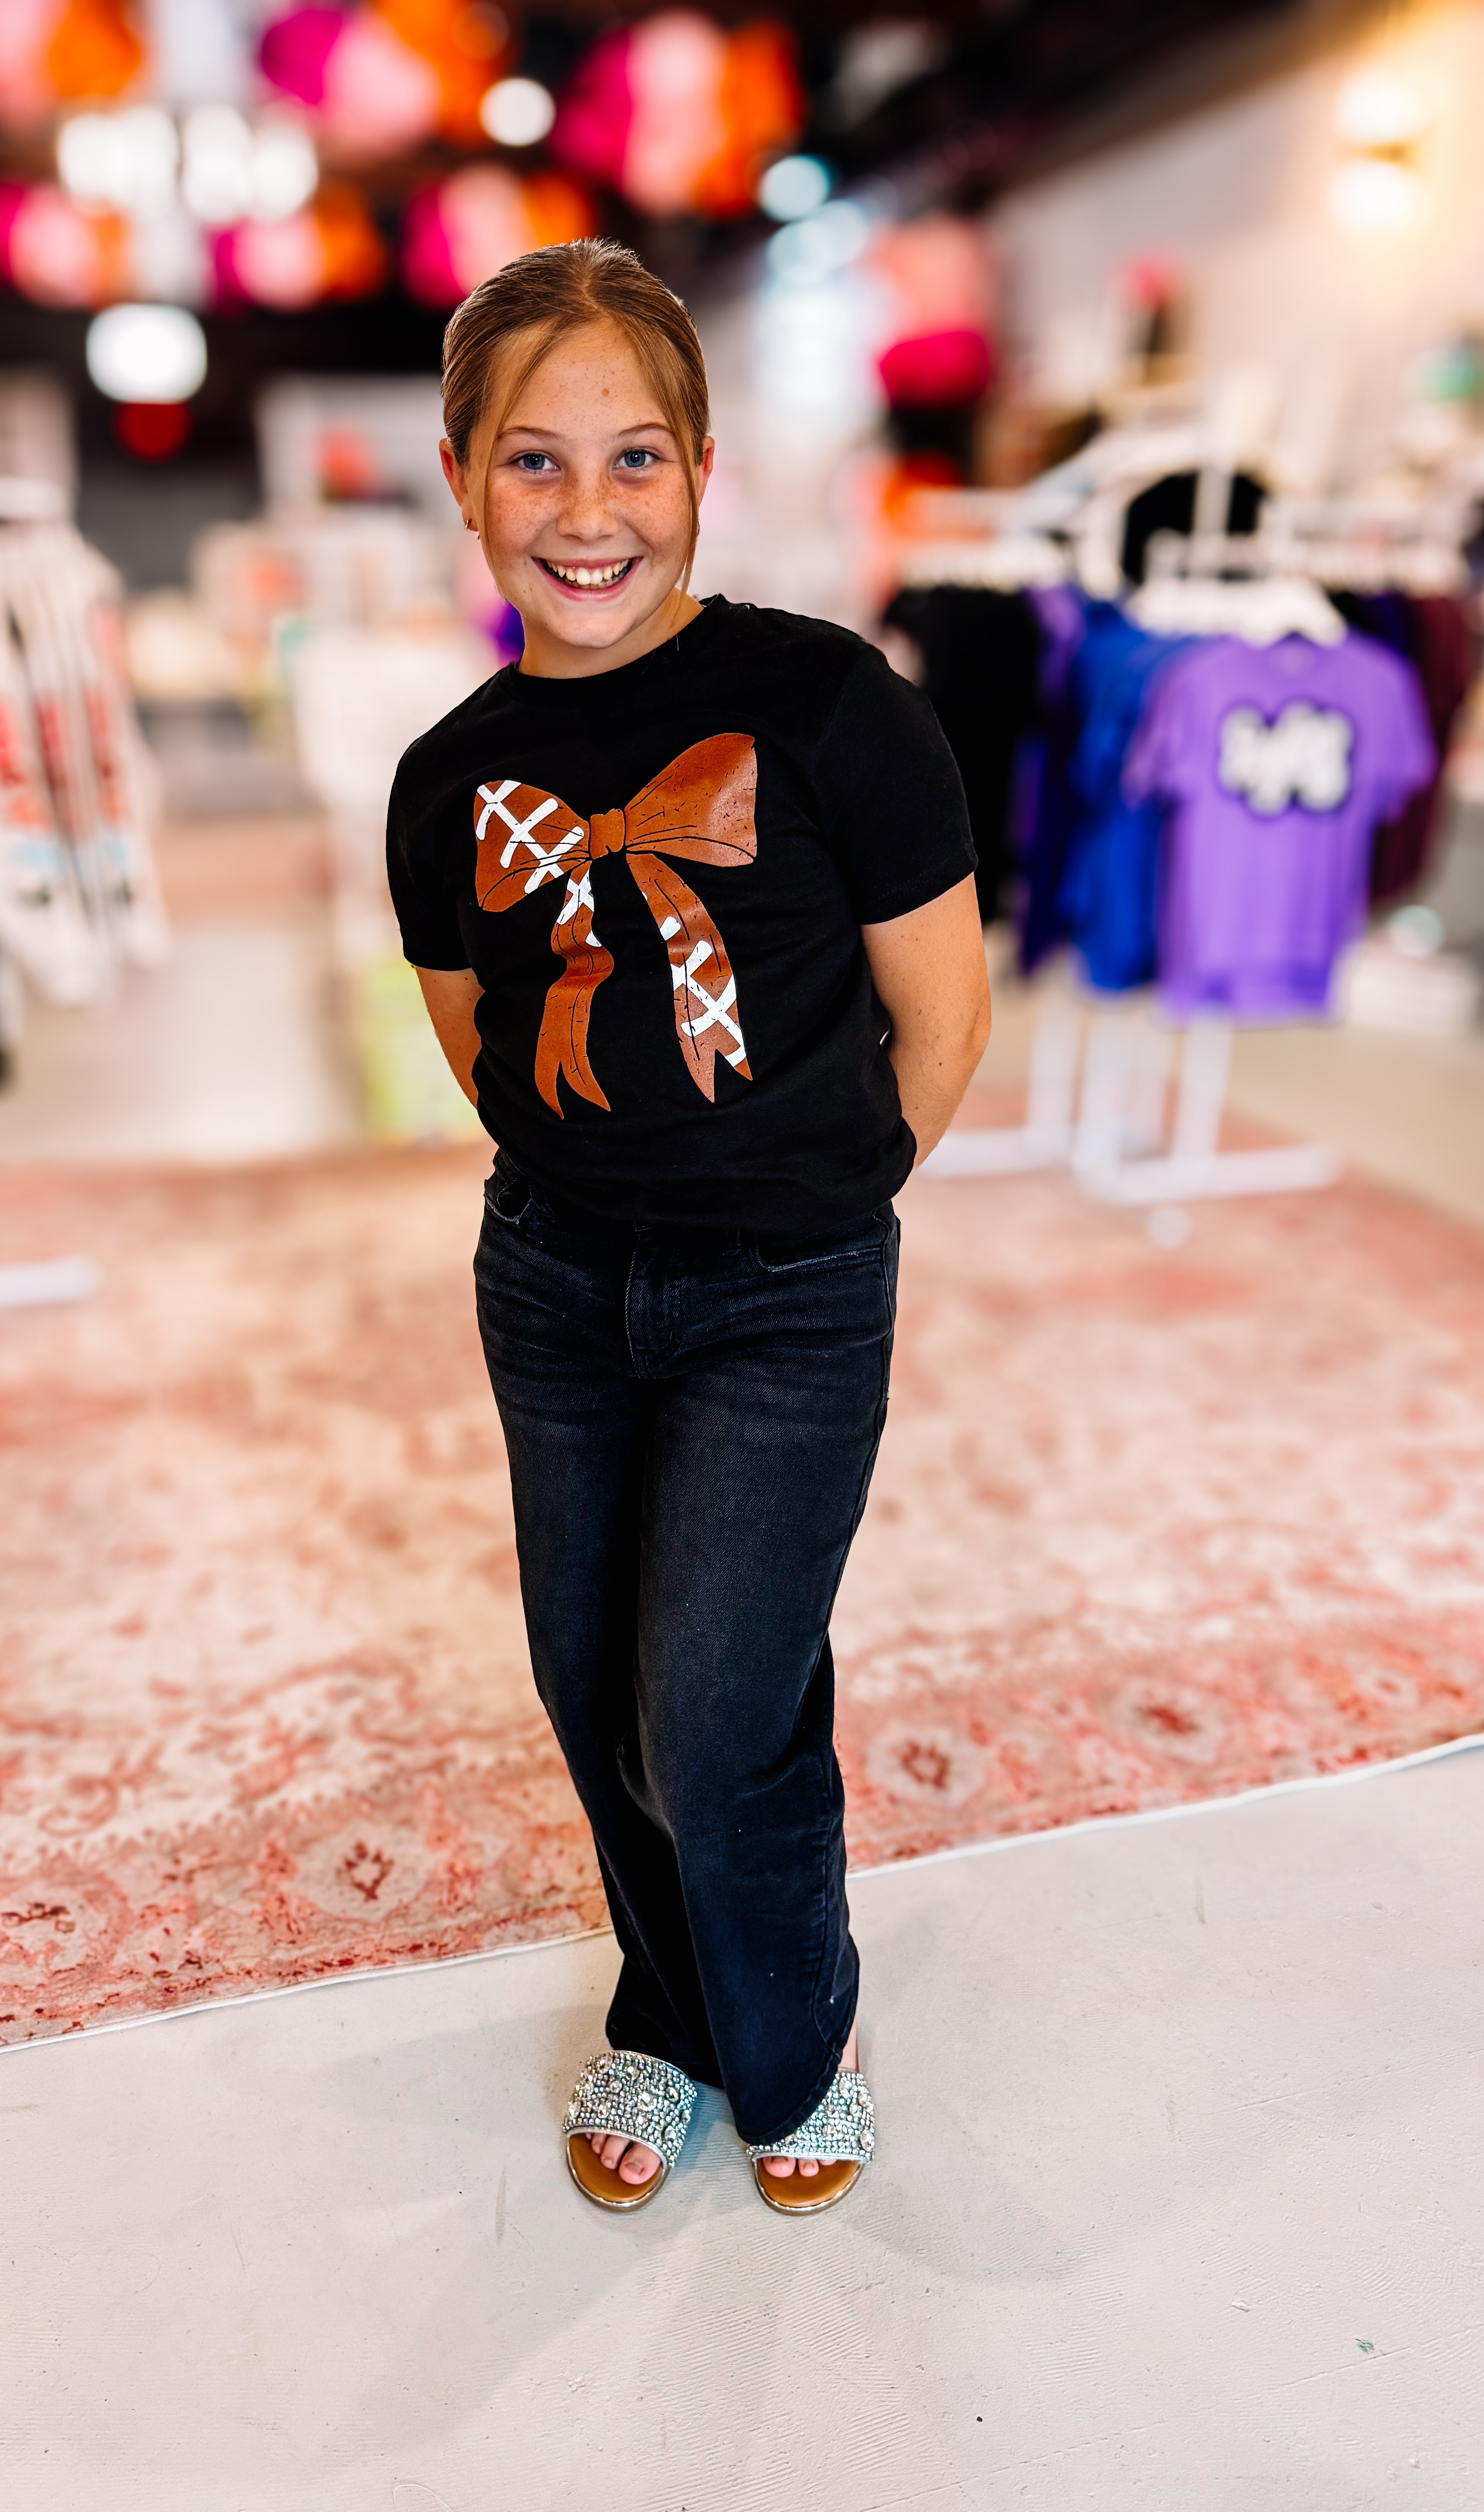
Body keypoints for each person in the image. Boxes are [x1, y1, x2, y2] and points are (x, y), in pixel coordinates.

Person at [386, 239, 990, 2215]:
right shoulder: (445, 777)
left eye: (633, 459)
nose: (588, 514)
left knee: (718, 1705)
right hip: (554, 1281)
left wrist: (812, 1207)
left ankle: (790, 2039)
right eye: (537, 463)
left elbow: (945, 1012)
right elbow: (477, 1042)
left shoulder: (832, 707)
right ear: (465, 476)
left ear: (704, 470)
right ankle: (668, 2006)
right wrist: (613, 1191)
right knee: (592, 1684)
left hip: (790, 1294)